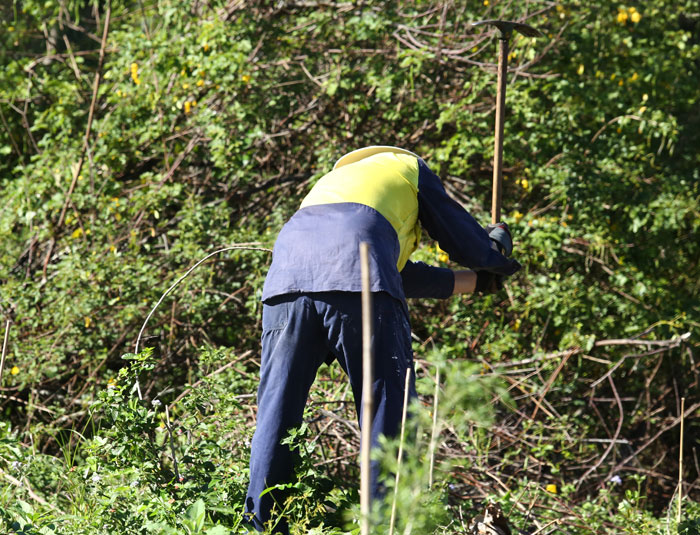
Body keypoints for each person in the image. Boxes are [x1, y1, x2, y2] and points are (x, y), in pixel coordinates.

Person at [244, 146, 521, 533]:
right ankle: (385, 526)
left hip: (285, 287)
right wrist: (497, 255)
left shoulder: (331, 188)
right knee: (389, 412)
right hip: (358, 278)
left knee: (277, 412)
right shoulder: (408, 167)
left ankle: (263, 525)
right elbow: (464, 241)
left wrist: (477, 283)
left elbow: (398, 275)